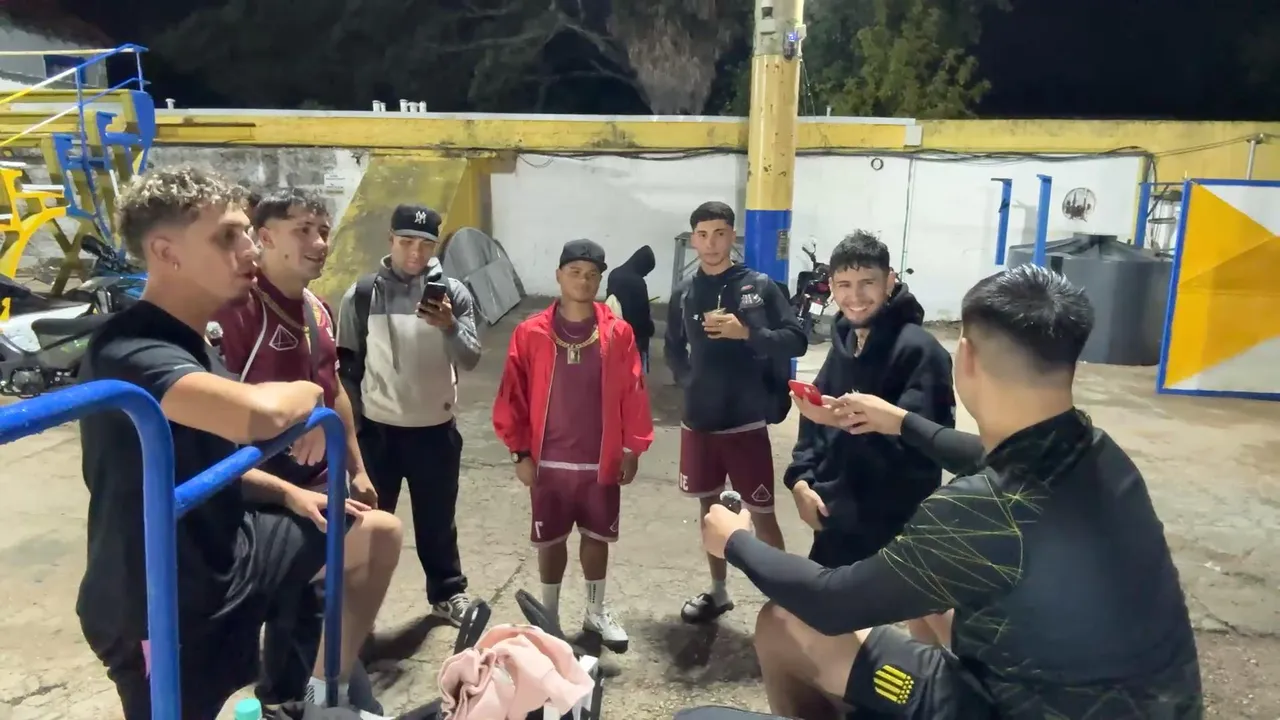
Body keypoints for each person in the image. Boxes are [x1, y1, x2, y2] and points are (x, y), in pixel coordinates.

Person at [701, 264, 1203, 720]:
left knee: (781, 625)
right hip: (1148, 702)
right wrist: (900, 421)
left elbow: (831, 602)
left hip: (1005, 707)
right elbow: (989, 456)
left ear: (966, 357)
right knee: (934, 606)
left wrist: (736, 541)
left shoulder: (980, 511)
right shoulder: (1099, 452)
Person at [77, 167, 404, 719]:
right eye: (227, 236)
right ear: (166, 253)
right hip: (158, 594)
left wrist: (287, 494)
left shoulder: (194, 340)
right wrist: (309, 394)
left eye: (246, 232)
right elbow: (260, 416)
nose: (249, 249)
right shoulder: (129, 349)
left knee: (375, 536)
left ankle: (323, 696)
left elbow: (202, 461)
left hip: (230, 550)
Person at [211, 187, 379, 708]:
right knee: (280, 613)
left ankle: (294, 698)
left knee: (315, 608)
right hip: (256, 494)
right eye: (302, 230)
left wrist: (356, 466)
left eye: (323, 231)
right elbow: (212, 425)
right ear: (264, 237)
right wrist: (285, 483)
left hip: (319, 487)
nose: (319, 242)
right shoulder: (236, 313)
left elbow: (334, 390)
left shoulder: (316, 309)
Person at [784, 231, 955, 645]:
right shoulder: (844, 341)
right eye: (844, 284)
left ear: (890, 281)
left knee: (933, 629)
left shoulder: (921, 351)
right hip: (838, 518)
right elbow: (814, 421)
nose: (855, 297)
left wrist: (848, 422)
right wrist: (801, 481)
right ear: (831, 287)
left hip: (898, 527)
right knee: (821, 633)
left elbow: (926, 449)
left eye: (868, 283)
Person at [493, 239, 654, 653]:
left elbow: (634, 390)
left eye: (592, 275)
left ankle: (595, 611)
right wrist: (519, 453)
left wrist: (633, 448)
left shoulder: (618, 333)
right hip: (548, 459)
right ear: (559, 275)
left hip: (600, 456)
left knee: (597, 536)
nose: (583, 281)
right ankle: (549, 616)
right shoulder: (531, 333)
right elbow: (512, 395)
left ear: (600, 281)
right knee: (550, 540)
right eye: (575, 272)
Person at [336, 203, 481, 625]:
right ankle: (356, 603)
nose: (415, 252)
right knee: (366, 523)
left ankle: (447, 593)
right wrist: (355, 430)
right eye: (406, 242)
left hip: (435, 429)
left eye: (425, 244)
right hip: (378, 432)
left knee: (437, 521)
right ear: (390, 241)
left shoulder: (454, 293)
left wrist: (450, 325)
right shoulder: (362, 295)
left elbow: (471, 357)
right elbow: (347, 366)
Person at [664, 201, 807, 625]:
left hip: (745, 420)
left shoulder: (759, 286)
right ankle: (718, 591)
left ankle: (785, 599)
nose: (711, 243)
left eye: (720, 233)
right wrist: (690, 380)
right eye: (703, 234)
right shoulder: (684, 292)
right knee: (711, 511)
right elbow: (672, 346)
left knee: (762, 512)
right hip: (699, 421)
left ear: (732, 237)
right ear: (693, 239)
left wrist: (747, 332)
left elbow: (796, 339)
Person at [604, 245, 656, 372]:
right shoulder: (638, 282)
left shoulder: (614, 274)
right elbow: (642, 315)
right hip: (634, 337)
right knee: (634, 372)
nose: (645, 274)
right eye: (647, 270)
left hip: (613, 330)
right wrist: (650, 328)